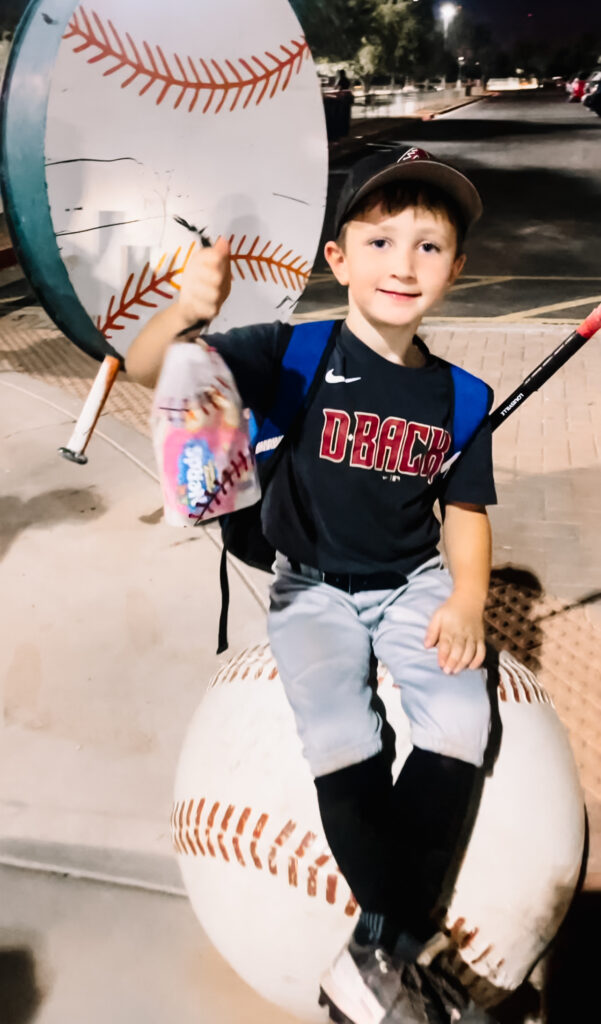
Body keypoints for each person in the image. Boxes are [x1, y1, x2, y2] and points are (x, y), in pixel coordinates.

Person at [126, 146, 496, 1024]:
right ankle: (415, 946)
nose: (402, 264)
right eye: (378, 241)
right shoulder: (290, 354)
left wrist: (469, 599)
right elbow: (154, 371)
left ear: (456, 268)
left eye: (429, 246)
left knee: (462, 718)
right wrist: (186, 309)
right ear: (337, 258)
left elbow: (467, 511)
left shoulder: (461, 394)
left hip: (411, 582)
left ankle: (376, 956)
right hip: (313, 589)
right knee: (340, 729)